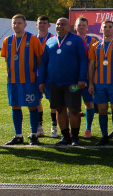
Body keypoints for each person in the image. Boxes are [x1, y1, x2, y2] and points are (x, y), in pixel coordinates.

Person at [37, 17, 88, 146]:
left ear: (69, 26)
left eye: (63, 24)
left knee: (74, 110)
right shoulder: (50, 41)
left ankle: (75, 137)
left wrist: (82, 79)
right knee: (60, 109)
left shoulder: (77, 40)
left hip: (73, 83)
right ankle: (65, 136)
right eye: (58, 24)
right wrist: (41, 81)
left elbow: (83, 60)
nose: (60, 26)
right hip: (54, 83)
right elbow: (44, 63)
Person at [0, 15, 43, 145]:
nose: (16, 25)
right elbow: (7, 59)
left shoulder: (33, 39)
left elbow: (40, 59)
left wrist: (38, 75)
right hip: (13, 80)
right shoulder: (7, 40)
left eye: (19, 23)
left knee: (32, 106)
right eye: (14, 23)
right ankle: (18, 135)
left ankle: (34, 134)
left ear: (25, 25)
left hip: (29, 80)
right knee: (15, 106)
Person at [87, 20, 113, 146]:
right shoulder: (95, 45)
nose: (107, 29)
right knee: (102, 110)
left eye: (110, 27)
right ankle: (104, 136)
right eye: (105, 27)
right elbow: (92, 65)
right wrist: (91, 83)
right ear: (101, 29)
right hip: (99, 84)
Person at [74, 17, 98, 139]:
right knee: (72, 104)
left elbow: (94, 63)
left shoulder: (93, 41)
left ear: (87, 27)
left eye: (84, 25)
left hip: (88, 80)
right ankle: (73, 130)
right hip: (73, 80)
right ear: (75, 27)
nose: (81, 27)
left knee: (89, 103)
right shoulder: (71, 40)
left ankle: (88, 129)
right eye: (79, 25)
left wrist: (92, 81)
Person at [35, 15, 56, 137]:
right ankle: (39, 127)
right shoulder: (31, 39)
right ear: (36, 24)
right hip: (35, 76)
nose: (42, 25)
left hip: (49, 76)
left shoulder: (53, 39)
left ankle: (54, 126)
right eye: (40, 23)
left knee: (53, 101)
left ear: (49, 25)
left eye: (44, 23)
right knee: (36, 101)